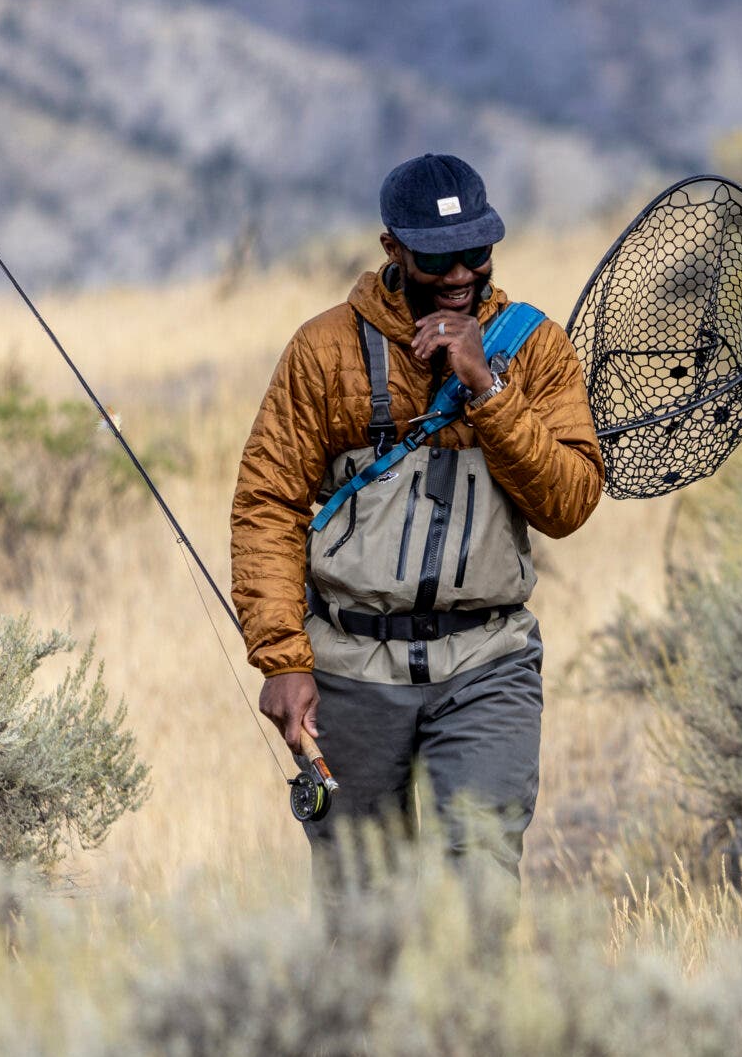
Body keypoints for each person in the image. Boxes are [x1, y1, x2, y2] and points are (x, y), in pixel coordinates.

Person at [231, 152, 603, 885]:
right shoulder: (323, 349)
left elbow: (569, 502)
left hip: (487, 662)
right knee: (363, 913)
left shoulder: (536, 347)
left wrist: (489, 390)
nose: (463, 274)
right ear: (393, 250)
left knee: (481, 891)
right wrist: (283, 658)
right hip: (351, 668)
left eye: (477, 250)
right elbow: (268, 504)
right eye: (440, 257)